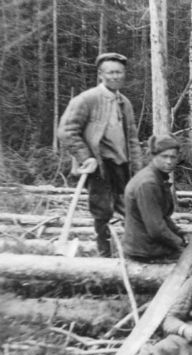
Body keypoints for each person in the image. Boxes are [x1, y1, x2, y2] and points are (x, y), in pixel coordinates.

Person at [58, 52, 143, 257]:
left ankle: (132, 249)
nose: (116, 76)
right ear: (100, 75)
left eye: (120, 72)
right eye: (111, 72)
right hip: (99, 165)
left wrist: (137, 167)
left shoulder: (125, 103)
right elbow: (67, 130)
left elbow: (132, 138)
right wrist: (85, 157)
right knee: (102, 209)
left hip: (122, 164)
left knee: (130, 207)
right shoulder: (87, 99)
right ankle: (104, 252)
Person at [122, 134, 190, 262]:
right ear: (153, 156)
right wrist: (181, 243)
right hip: (145, 249)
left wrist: (181, 233)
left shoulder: (157, 178)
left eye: (173, 157)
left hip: (147, 244)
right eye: (164, 156)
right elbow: (156, 229)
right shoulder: (148, 183)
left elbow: (162, 217)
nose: (169, 161)